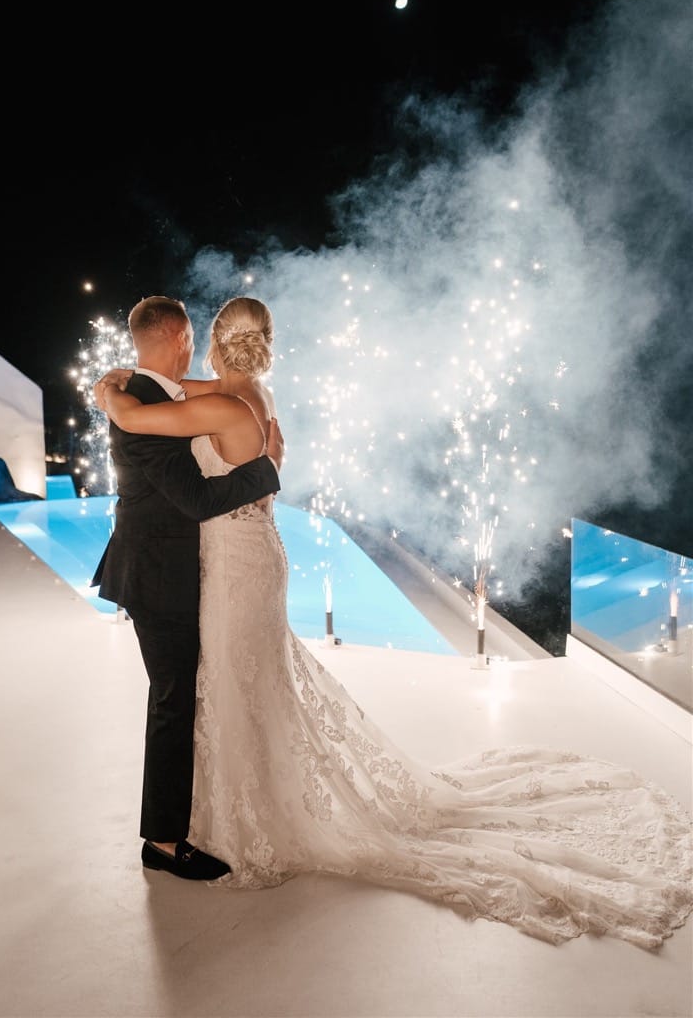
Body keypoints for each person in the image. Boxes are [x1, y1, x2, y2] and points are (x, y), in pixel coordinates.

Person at [96, 295, 693, 948]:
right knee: (247, 680)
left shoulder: (213, 405)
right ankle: (222, 805)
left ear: (208, 342)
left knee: (235, 682)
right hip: (252, 555)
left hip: (236, 565)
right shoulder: (252, 395)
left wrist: (114, 396)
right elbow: (183, 398)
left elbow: (154, 430)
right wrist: (132, 380)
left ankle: (235, 812)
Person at [91, 294, 284, 881]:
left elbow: (153, 409)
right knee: (177, 700)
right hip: (161, 571)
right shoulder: (216, 397)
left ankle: (202, 813)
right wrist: (268, 469)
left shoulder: (162, 398)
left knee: (207, 688)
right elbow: (198, 499)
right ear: (182, 339)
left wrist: (108, 394)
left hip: (210, 562)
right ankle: (165, 842)